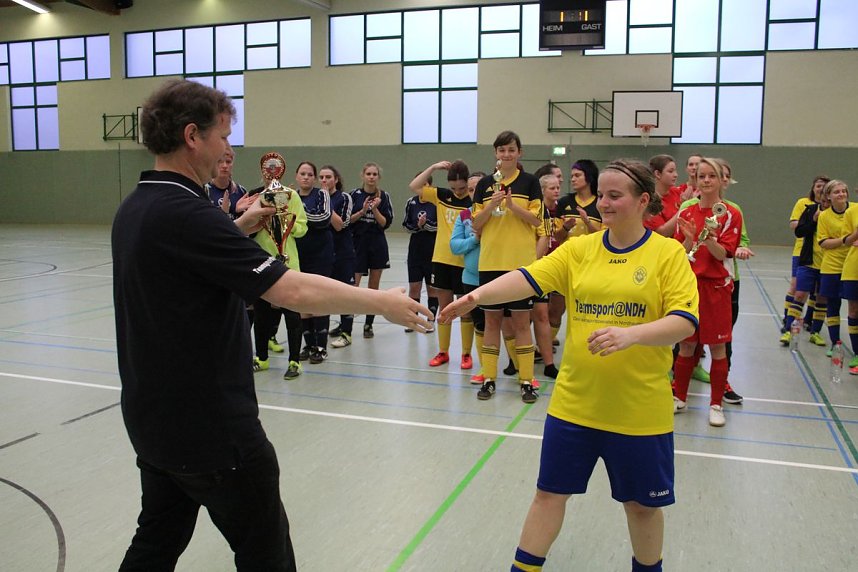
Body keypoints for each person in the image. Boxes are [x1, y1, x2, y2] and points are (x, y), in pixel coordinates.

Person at [112, 79, 431, 571]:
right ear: (192, 136)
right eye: (223, 135)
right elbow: (292, 291)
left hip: (152, 420)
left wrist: (237, 229)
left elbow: (187, 260)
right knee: (267, 554)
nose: (229, 148)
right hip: (212, 429)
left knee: (156, 542)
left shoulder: (137, 206)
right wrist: (380, 301)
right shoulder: (188, 213)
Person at [440, 159, 698, 572]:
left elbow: (683, 323)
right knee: (548, 494)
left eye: (616, 196)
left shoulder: (667, 254)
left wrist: (631, 334)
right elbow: (527, 277)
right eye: (603, 196)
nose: (606, 204)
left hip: (639, 412)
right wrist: (475, 297)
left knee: (641, 508)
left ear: (643, 200)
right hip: (574, 406)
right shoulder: (580, 250)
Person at [471, 131, 543, 403]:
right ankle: (489, 378)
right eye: (501, 150)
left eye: (511, 150)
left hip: (520, 265)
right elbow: (476, 224)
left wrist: (512, 206)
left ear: (519, 152)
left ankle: (526, 380)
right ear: (496, 154)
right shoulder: (485, 185)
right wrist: (492, 205)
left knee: (523, 323)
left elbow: (537, 222)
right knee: (492, 321)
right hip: (490, 262)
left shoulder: (530, 182)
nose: (506, 154)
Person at [672, 157, 743, 427]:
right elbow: (680, 251)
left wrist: (709, 237)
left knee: (717, 347)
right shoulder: (687, 212)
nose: (705, 180)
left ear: (721, 180)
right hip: (690, 287)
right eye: (701, 176)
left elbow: (723, 253)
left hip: (716, 288)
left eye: (711, 176)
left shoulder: (729, 213)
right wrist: (690, 239)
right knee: (687, 343)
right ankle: (679, 397)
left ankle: (715, 404)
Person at [409, 160, 475, 368]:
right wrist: (434, 167)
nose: (457, 192)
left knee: (465, 309)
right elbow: (415, 186)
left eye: (462, 188)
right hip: (441, 260)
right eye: (454, 188)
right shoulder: (442, 195)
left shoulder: (474, 202)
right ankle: (443, 352)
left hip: (465, 262)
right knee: (445, 309)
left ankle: (466, 354)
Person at [246, 164, 308, 380]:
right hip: (262, 260)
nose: (270, 174)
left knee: (292, 314)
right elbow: (246, 228)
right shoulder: (255, 196)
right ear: (262, 172)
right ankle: (261, 358)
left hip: (288, 262)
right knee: (262, 314)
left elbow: (303, 226)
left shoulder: (291, 196)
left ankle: (294, 362)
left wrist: (287, 225)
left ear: (281, 172)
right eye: (266, 170)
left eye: (274, 170)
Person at [294, 161, 334, 364]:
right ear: (296, 176)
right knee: (303, 300)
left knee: (319, 297)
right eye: (303, 173)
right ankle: (308, 344)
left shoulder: (322, 195)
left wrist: (299, 217)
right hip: (299, 253)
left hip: (321, 253)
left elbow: (324, 218)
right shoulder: (290, 196)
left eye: (310, 174)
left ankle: (321, 346)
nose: (306, 177)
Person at [350, 162, 394, 339]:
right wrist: (362, 211)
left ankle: (369, 324)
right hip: (358, 244)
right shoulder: (354, 195)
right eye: (368, 173)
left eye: (374, 174)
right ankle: (346, 326)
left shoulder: (384, 196)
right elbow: (349, 220)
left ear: (378, 177)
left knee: (373, 287)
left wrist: (375, 209)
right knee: (353, 287)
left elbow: (385, 223)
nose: (371, 177)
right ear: (362, 175)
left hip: (376, 244)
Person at [450, 171, 487, 384]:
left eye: (480, 188)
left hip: (498, 278)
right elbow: (455, 246)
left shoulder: (499, 214)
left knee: (510, 324)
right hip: (471, 279)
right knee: (480, 325)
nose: (476, 193)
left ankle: (519, 367)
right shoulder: (464, 215)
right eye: (472, 189)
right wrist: (475, 239)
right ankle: (485, 368)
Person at [782, 176, 829, 334]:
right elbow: (794, 225)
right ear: (813, 188)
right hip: (803, 251)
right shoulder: (804, 204)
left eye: (824, 187)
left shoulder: (831, 208)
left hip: (825, 254)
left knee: (819, 290)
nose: (821, 189)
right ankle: (787, 318)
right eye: (818, 186)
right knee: (796, 287)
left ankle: (810, 320)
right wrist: (810, 220)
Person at [815, 180, 854, 351]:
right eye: (837, 192)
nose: (841, 194)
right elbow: (824, 243)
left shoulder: (855, 210)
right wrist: (846, 240)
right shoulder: (824, 216)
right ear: (829, 196)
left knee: (854, 307)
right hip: (832, 266)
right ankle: (835, 343)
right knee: (832, 305)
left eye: (843, 191)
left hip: (852, 264)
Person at [321, 164, 357, 349]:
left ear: (336, 179)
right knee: (324, 294)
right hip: (324, 254)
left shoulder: (344, 198)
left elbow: (339, 225)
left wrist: (326, 200)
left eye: (328, 177)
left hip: (343, 253)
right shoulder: (315, 197)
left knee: (346, 294)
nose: (324, 181)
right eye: (322, 177)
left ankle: (346, 332)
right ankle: (321, 334)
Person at [402, 172, 440, 334]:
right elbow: (406, 225)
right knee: (414, 288)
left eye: (425, 184)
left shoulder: (437, 203)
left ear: (429, 186)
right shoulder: (411, 203)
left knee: (432, 288)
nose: (422, 187)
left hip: (432, 251)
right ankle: (413, 320)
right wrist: (418, 226)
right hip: (415, 251)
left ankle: (430, 320)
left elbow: (441, 227)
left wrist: (427, 225)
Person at [205, 148, 252, 220]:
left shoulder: (240, 191)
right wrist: (224, 213)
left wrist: (236, 212)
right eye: (220, 161)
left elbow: (245, 224)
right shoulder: (204, 190)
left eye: (228, 162)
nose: (224, 166)